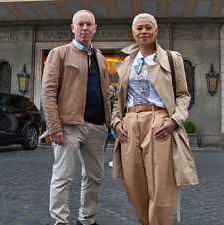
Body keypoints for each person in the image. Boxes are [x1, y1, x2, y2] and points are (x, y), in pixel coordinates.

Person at [111, 13, 199, 225]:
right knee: (133, 184)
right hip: (130, 123)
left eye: (148, 27)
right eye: (139, 28)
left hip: (159, 121)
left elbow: (183, 95)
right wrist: (116, 122)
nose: (144, 31)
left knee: (161, 186)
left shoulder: (171, 58)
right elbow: (118, 98)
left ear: (156, 31)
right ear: (133, 33)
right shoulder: (127, 62)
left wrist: (174, 120)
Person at [41, 9, 111, 225]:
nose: (84, 28)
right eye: (80, 24)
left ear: (95, 29)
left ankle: (87, 220)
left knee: (94, 176)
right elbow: (48, 92)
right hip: (68, 126)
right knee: (63, 177)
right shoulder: (59, 53)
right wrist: (54, 126)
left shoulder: (99, 57)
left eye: (89, 24)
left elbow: (104, 89)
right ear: (73, 28)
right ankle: (60, 222)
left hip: (97, 126)